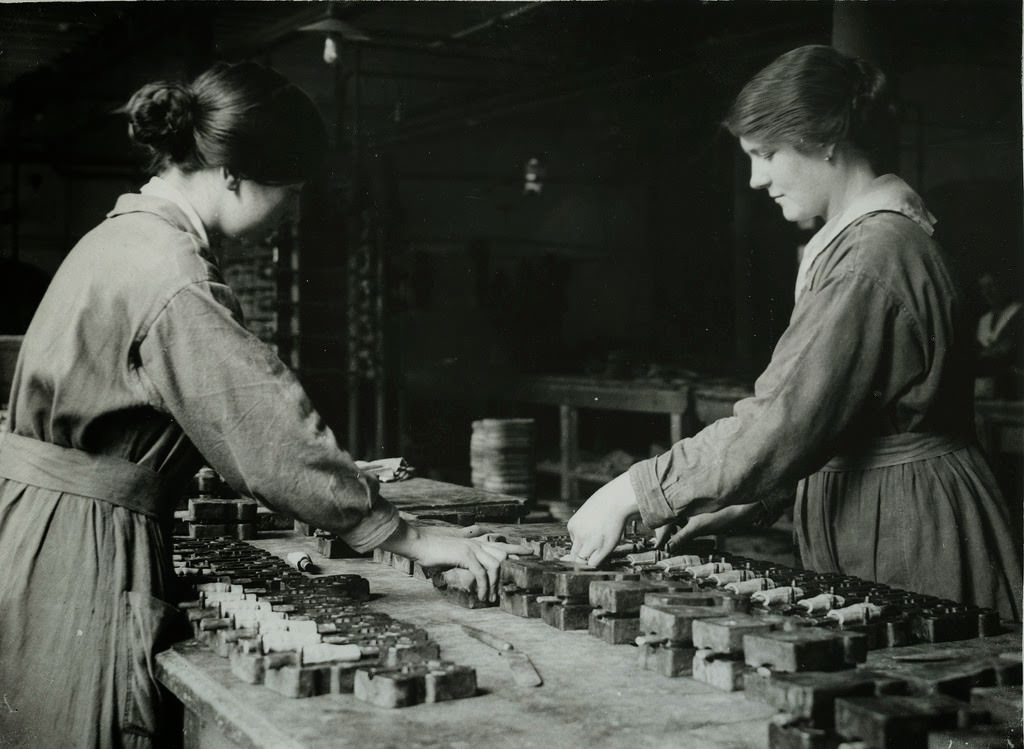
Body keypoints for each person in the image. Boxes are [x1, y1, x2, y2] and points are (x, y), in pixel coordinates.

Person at [0, 61, 529, 749]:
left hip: (38, 532)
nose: (295, 212)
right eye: (294, 190)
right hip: (84, 549)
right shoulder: (175, 278)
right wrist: (414, 537)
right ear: (232, 175)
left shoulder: (115, 239)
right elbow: (272, 439)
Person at [566, 45, 1022, 622]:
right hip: (876, 502)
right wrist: (750, 501)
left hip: (910, 521)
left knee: (917, 683)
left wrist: (630, 492)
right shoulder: (859, 244)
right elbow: (837, 415)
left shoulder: (874, 256)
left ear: (826, 140)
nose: (756, 178)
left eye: (767, 154)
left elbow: (782, 418)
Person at [973, 270, 1023, 398]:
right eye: (983, 288)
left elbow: (1007, 349)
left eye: (991, 286)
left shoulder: (1019, 313)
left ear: (1004, 286)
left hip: (1014, 388)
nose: (987, 293)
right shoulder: (984, 320)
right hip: (985, 390)